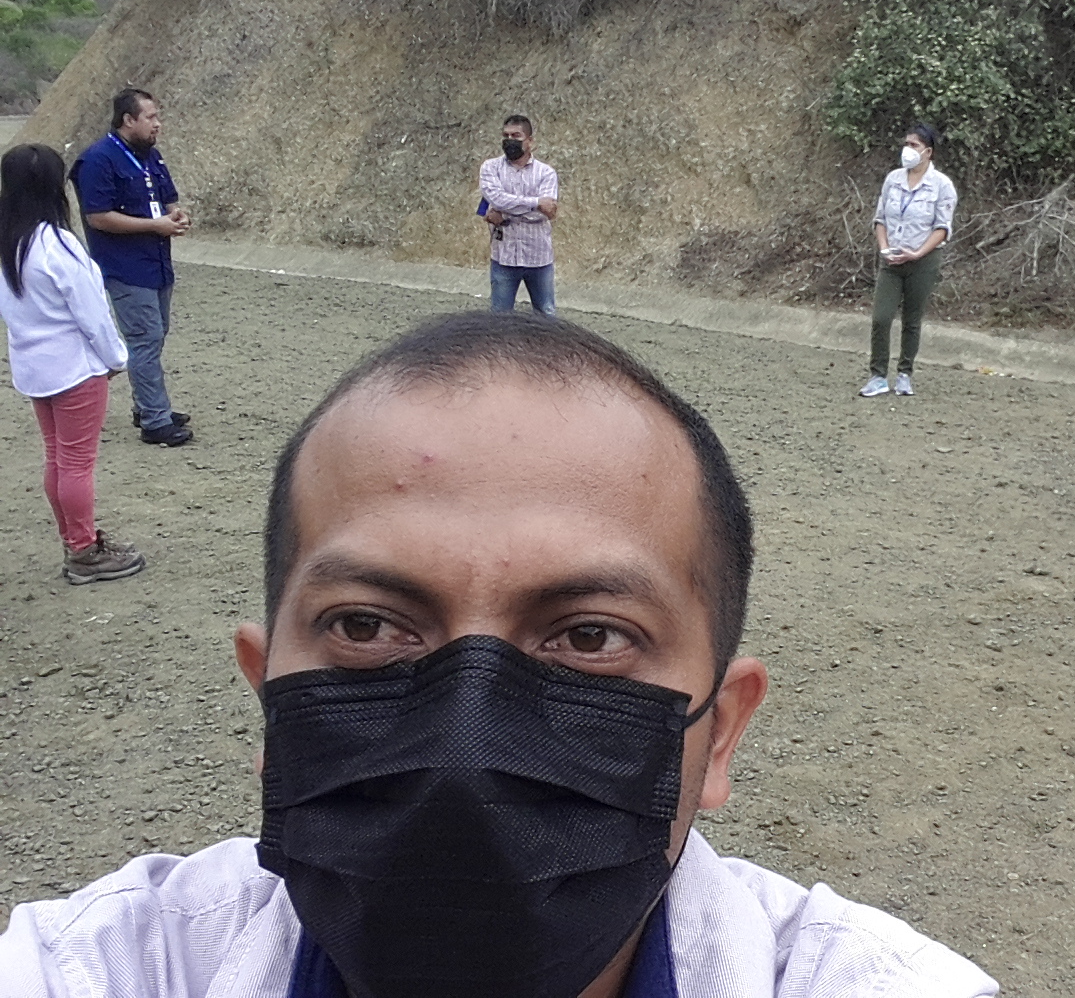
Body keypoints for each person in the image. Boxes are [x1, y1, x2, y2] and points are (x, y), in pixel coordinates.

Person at [0, 312, 999, 997]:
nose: (465, 740)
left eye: (591, 636)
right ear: (268, 699)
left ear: (722, 732)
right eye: (365, 626)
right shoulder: (104, 967)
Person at [0, 144, 145, 584]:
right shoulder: (58, 244)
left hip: (34, 368)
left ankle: (75, 540)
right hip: (74, 369)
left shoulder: (8, 242)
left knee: (57, 458)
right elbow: (92, 312)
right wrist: (116, 357)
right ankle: (83, 551)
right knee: (77, 463)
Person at [70, 88, 193, 447]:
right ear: (128, 120)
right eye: (150, 117)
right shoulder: (97, 160)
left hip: (157, 264)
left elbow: (166, 200)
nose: (158, 123)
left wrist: (176, 216)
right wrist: (155, 226)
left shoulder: (150, 155)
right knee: (145, 338)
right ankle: (155, 421)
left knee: (157, 334)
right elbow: (98, 217)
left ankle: (147, 406)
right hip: (125, 267)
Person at [861, 123, 956, 398]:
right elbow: (880, 218)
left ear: (928, 152)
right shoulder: (893, 179)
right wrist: (884, 248)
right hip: (891, 261)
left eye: (914, 145)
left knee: (912, 320)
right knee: (881, 318)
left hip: (923, 261)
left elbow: (942, 227)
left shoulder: (942, 185)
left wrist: (917, 253)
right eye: (906, 144)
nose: (907, 150)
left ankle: (905, 374)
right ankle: (878, 375)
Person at [479, 114, 559, 316]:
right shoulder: (490, 168)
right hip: (504, 257)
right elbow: (496, 199)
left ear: (530, 141)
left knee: (546, 315)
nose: (510, 140)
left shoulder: (546, 173)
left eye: (516, 136)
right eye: (506, 135)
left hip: (538, 258)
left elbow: (545, 213)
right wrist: (536, 203)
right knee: (500, 318)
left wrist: (505, 215)